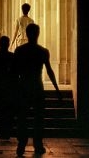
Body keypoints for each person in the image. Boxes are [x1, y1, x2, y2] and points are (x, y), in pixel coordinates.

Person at [13, 23, 62, 156]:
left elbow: (14, 71)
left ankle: (21, 145)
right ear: (38, 34)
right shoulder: (43, 51)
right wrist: (57, 89)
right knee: (38, 118)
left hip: (23, 86)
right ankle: (38, 144)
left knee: (22, 117)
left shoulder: (19, 51)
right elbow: (50, 71)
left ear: (26, 34)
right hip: (37, 86)